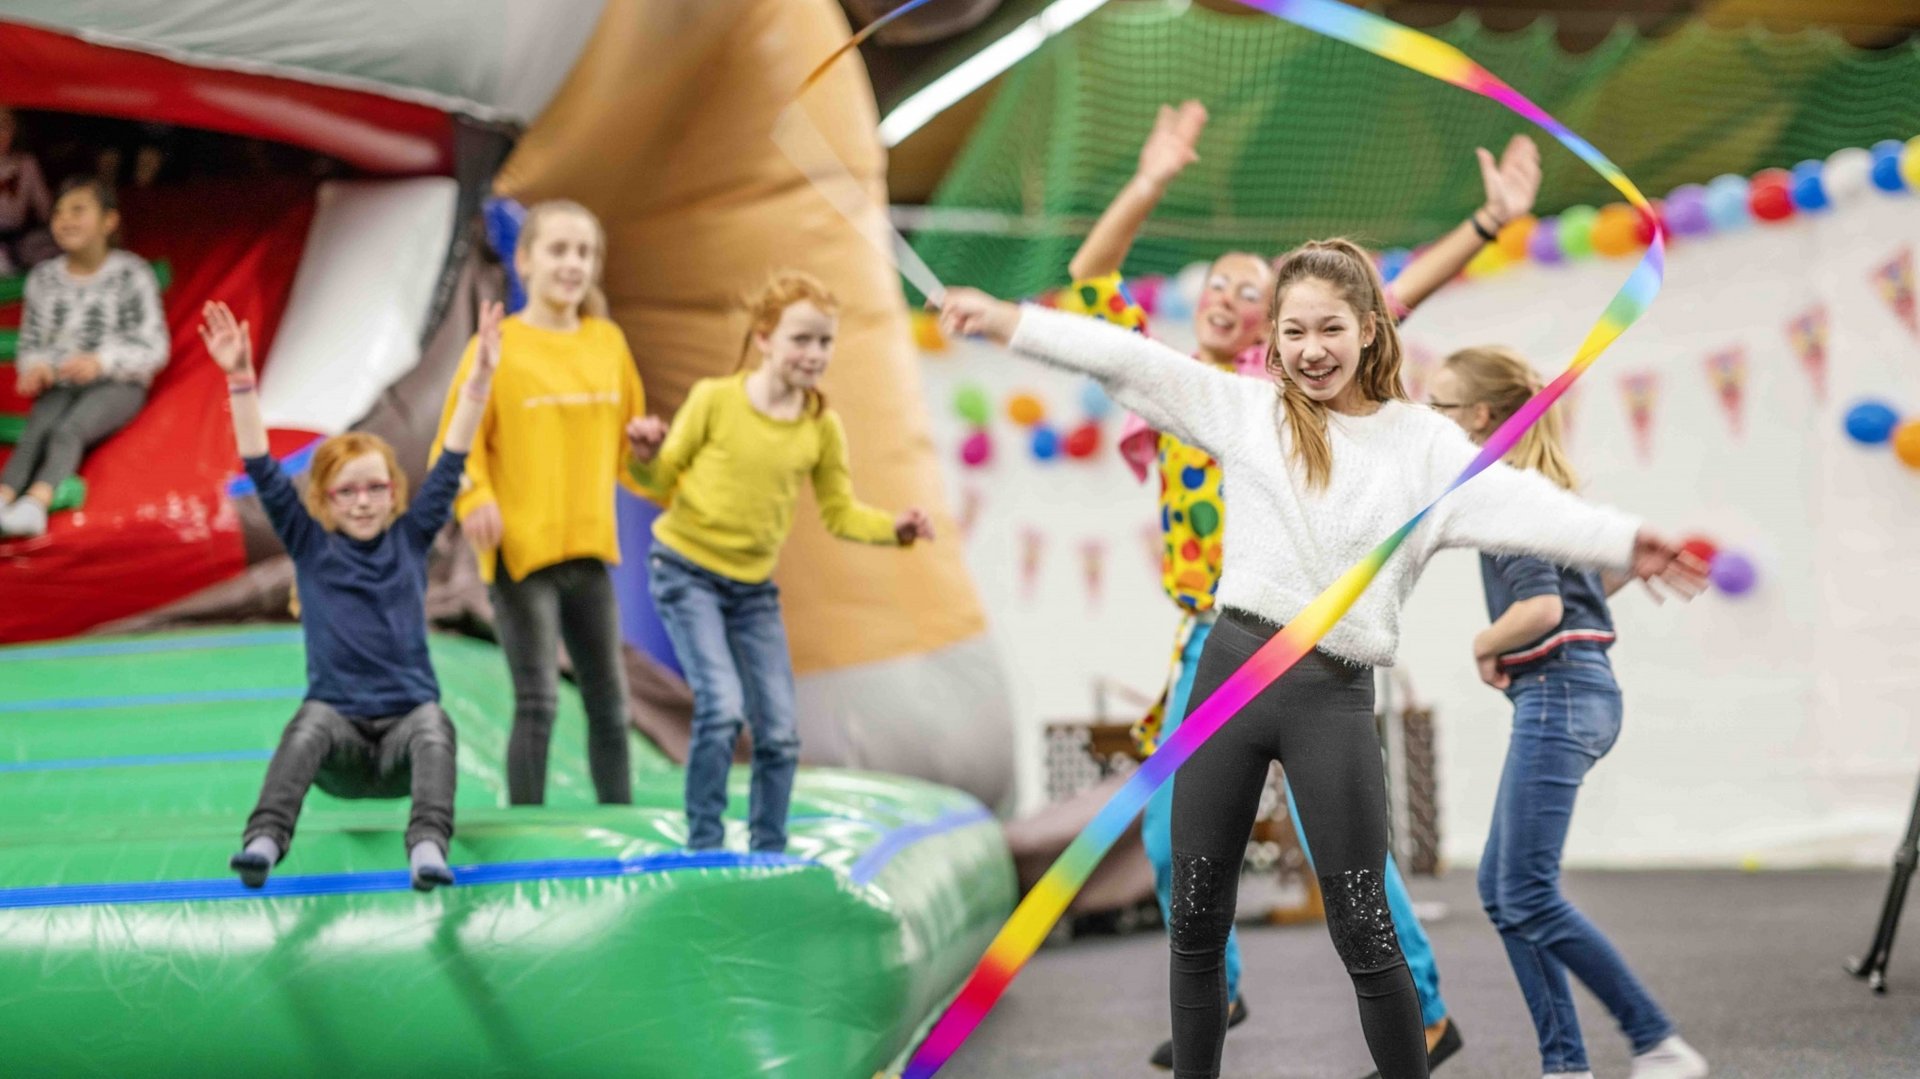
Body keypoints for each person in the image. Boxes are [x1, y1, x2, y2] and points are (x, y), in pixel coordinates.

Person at [936, 240, 1702, 1079]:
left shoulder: (1421, 447)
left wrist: (1631, 538)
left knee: (1364, 928)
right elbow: (1127, 359)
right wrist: (1007, 321)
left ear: (1371, 329)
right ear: (1274, 338)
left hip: (1331, 696)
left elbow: (1521, 501)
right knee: (1195, 921)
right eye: (1293, 330)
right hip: (1227, 680)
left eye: (1330, 328)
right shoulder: (1249, 412)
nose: (1310, 349)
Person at [1064, 99, 1543, 1075]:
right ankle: (1220, 986)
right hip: (1212, 635)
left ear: (1268, 325)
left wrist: (1488, 225)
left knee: (1351, 860)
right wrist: (1151, 177)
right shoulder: (1179, 385)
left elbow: (1389, 297)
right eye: (1220, 281)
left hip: (1306, 635)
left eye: (1251, 289)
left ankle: (1425, 1012)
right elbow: (1090, 280)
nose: (1226, 293)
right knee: (1173, 838)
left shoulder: (1276, 387)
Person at [1428, 347, 1710, 1079]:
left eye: (1441, 408)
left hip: (1557, 691)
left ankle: (1657, 1040)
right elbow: (1581, 598)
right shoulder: (1545, 492)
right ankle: (1565, 1064)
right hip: (1575, 689)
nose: (1430, 421)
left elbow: (1543, 608)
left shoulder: (1501, 498)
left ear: (1481, 418)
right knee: (1501, 889)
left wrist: (1483, 642)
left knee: (1525, 888)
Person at [627, 270, 933, 853]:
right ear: (764, 338)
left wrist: (895, 528)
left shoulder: (820, 428)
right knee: (719, 708)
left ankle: (768, 847)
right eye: (802, 339)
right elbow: (661, 478)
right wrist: (644, 455)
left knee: (781, 734)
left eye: (825, 341)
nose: (815, 354)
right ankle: (705, 843)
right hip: (685, 571)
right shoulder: (715, 400)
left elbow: (841, 513)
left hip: (750, 590)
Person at [211, 298, 502, 891]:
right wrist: (241, 381)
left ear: (395, 493)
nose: (364, 501)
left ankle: (426, 846)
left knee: (434, 724)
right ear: (325, 501)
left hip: (402, 742)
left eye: (375, 488)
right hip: (339, 745)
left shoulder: (412, 537)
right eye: (348, 492)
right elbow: (262, 467)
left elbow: (451, 458)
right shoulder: (309, 543)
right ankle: (264, 840)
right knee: (308, 723)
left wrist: (478, 383)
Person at [431, 199, 648, 806]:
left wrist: (650, 450)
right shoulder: (497, 347)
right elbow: (454, 444)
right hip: (522, 556)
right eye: (559, 249)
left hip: (588, 551)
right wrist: (474, 496)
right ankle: (525, 828)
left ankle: (621, 823)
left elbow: (631, 456)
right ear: (525, 261)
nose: (572, 263)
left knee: (611, 704)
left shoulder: (608, 342)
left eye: (584, 252)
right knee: (539, 703)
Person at [1, 178, 167, 539]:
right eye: (59, 213)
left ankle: (35, 502)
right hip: (62, 381)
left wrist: (102, 362)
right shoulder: (44, 279)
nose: (65, 221)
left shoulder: (131, 273)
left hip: (118, 383)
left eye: (78, 210)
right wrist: (36, 366)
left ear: (109, 221)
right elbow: (33, 341)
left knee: (68, 429)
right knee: (36, 429)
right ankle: (4, 497)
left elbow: (154, 345)